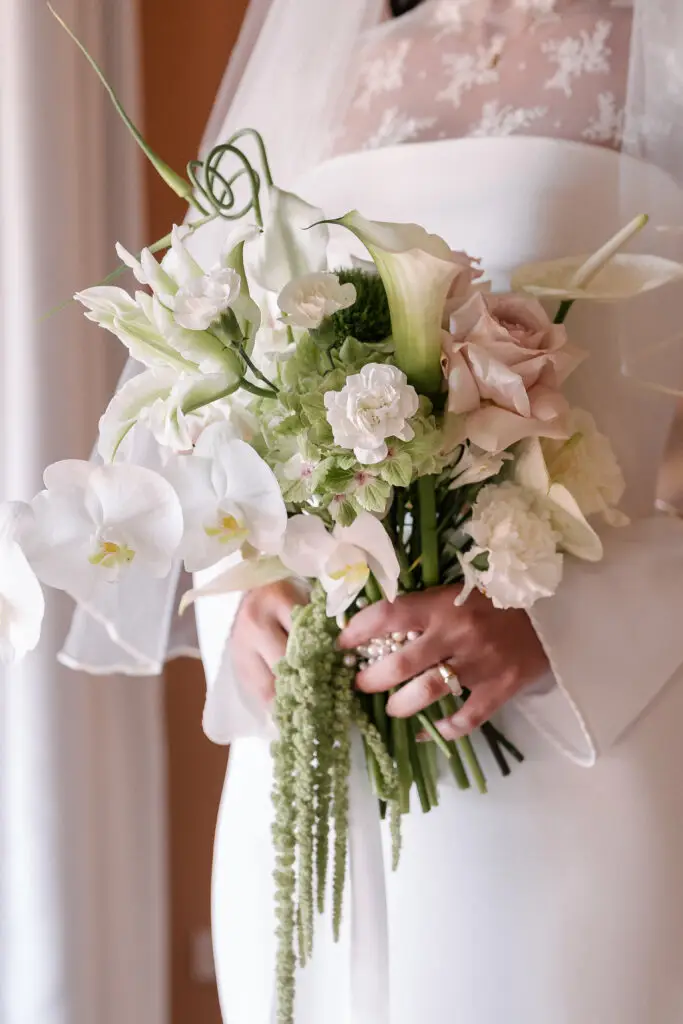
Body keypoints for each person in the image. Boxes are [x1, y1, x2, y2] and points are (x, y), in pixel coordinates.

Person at [61, 1, 683, 1022]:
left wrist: (560, 628)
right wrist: (250, 597)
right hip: (314, 754)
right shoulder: (321, 70)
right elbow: (205, 423)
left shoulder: (657, 44)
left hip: (585, 740)